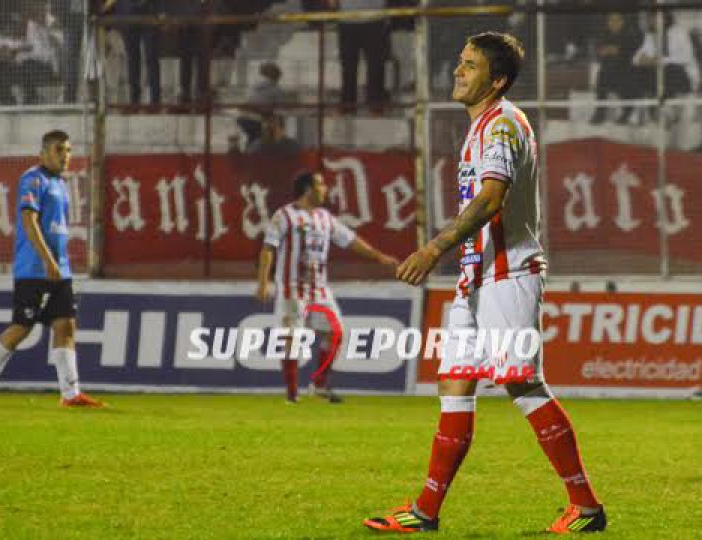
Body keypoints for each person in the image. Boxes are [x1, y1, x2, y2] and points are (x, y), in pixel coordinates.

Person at [363, 32, 605, 534]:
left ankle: (585, 505)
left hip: (508, 275)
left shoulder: (500, 127)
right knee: (455, 385)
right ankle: (424, 512)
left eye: (470, 65)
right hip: (475, 279)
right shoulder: (481, 127)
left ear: (496, 80)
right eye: (460, 62)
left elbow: (490, 200)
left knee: (521, 381)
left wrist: (432, 248)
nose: (458, 71)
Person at [0, 130, 104, 409]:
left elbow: (56, 229)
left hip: (59, 269)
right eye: (59, 150)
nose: (65, 155)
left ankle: (70, 394)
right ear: (43, 153)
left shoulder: (60, 184)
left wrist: (62, 259)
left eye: (68, 150)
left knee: (66, 325)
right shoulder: (33, 179)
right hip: (34, 269)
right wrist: (47, 260)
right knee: (22, 327)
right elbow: (29, 222)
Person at [256, 171, 399, 404]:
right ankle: (292, 395)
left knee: (336, 332)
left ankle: (319, 385)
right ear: (308, 189)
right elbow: (268, 248)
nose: (325, 189)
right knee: (291, 337)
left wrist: (379, 256)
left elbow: (350, 240)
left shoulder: (325, 217)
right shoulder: (284, 216)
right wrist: (263, 282)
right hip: (292, 287)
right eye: (321, 184)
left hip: (319, 289)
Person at [589, 11, 644, 125]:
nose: (613, 23)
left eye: (617, 20)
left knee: (620, 73)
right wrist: (605, 51)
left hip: (625, 68)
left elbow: (630, 51)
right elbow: (599, 51)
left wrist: (616, 51)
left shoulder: (630, 34)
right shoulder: (604, 34)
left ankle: (627, 112)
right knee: (603, 72)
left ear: (622, 22)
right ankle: (600, 111)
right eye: (611, 20)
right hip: (607, 69)